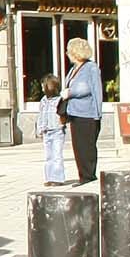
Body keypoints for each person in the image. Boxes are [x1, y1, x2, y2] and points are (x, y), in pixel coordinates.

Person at [62, 37, 102, 184]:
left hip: (88, 113)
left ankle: (88, 176)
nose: (67, 53)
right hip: (74, 113)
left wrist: (98, 114)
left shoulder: (91, 68)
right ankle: (82, 175)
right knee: (78, 147)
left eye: (69, 51)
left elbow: (91, 89)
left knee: (87, 147)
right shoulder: (74, 69)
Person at [37, 74, 67, 186]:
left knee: (57, 155)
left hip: (57, 130)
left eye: (43, 86)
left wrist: (62, 122)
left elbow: (63, 113)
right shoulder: (43, 100)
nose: (42, 88)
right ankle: (48, 178)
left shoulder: (59, 100)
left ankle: (58, 178)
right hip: (46, 131)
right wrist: (39, 129)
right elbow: (40, 115)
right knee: (48, 156)